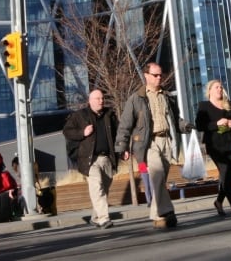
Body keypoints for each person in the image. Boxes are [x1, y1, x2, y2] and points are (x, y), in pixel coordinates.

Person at [115, 62, 194, 229]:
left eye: (160, 75)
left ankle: (157, 217)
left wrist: (185, 126)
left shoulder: (167, 96)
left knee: (160, 180)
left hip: (167, 141)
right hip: (148, 143)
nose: (159, 78)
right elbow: (125, 124)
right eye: (155, 75)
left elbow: (174, 120)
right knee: (157, 176)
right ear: (146, 76)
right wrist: (122, 147)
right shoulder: (137, 98)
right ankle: (167, 211)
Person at [62, 89, 118, 229]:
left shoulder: (109, 114)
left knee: (104, 189)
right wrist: (83, 132)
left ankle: (95, 217)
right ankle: (104, 218)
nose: (101, 101)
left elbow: (117, 133)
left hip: (107, 158)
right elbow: (67, 131)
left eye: (103, 98)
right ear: (90, 101)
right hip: (90, 159)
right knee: (97, 187)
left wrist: (123, 150)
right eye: (98, 98)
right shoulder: (80, 116)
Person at [196, 80, 231, 217]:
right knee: (225, 173)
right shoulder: (204, 106)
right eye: (216, 87)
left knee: (228, 176)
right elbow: (200, 126)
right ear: (209, 90)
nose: (220, 89)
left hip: (229, 143)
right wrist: (217, 123)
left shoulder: (228, 105)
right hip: (215, 146)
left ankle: (219, 201)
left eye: (221, 87)